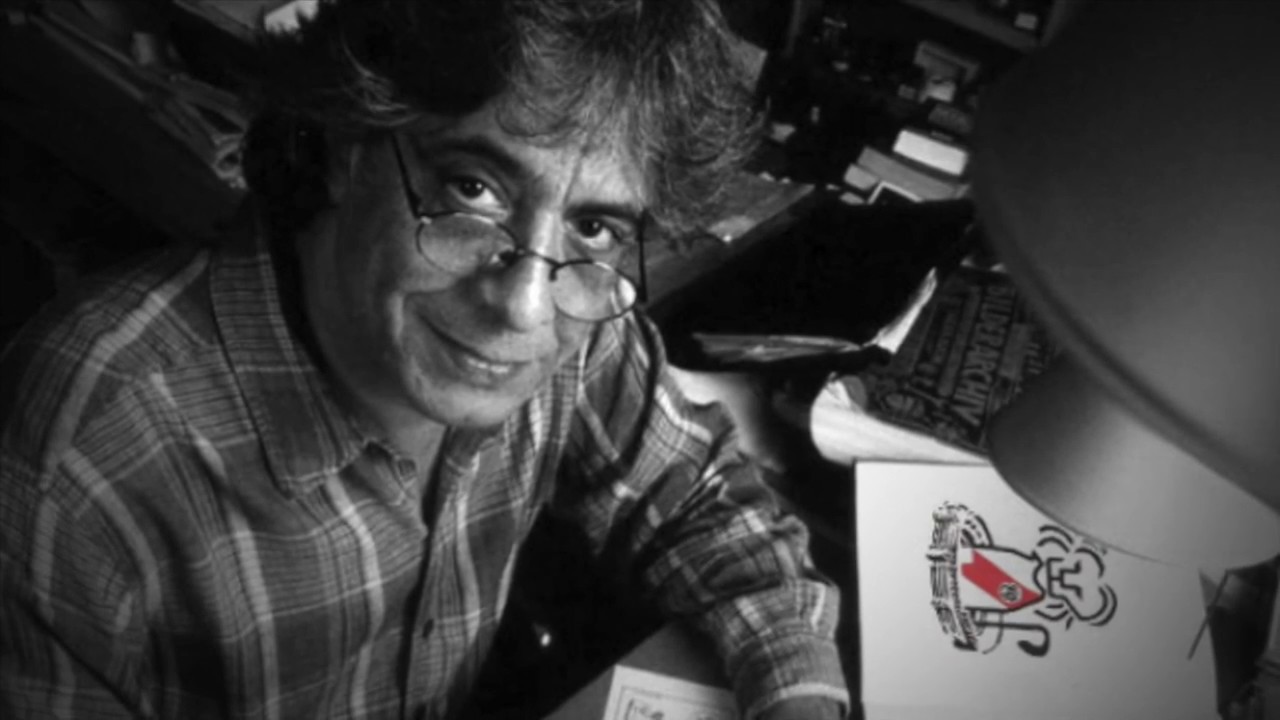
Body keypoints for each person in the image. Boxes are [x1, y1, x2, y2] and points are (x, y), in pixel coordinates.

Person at [0, 1, 848, 718]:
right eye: (473, 187)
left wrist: (797, 696)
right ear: (349, 142)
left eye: (594, 225)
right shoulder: (79, 464)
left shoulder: (578, 312)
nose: (524, 307)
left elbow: (699, 498)